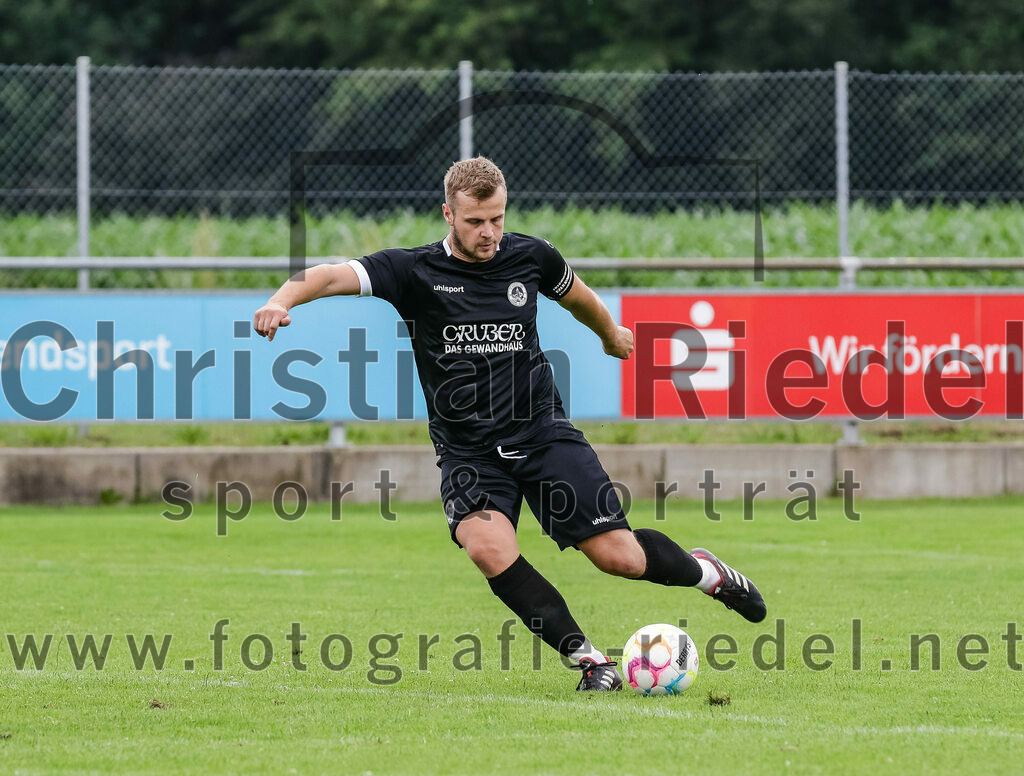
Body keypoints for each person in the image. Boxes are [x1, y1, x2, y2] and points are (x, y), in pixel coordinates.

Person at [253, 157, 766, 691]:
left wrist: (609, 332)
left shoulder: (531, 257)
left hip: (542, 434)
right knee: (486, 547)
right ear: (448, 213)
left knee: (621, 559)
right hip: (468, 452)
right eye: (476, 221)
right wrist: (279, 301)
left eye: (496, 218)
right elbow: (333, 274)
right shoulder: (413, 271)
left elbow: (579, 296)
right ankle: (592, 663)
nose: (489, 232)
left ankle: (708, 574)